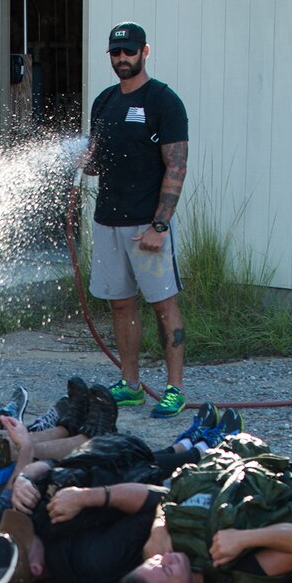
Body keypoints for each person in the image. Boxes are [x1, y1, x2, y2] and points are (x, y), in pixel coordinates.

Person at [83, 22, 191, 419]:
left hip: (147, 226)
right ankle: (130, 385)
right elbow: (97, 164)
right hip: (108, 220)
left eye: (129, 52)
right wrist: (84, 162)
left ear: (145, 51)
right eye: (115, 53)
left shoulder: (164, 102)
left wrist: (160, 226)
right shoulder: (104, 102)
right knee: (120, 305)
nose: (122, 59)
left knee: (163, 304)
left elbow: (176, 166)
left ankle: (174, 389)